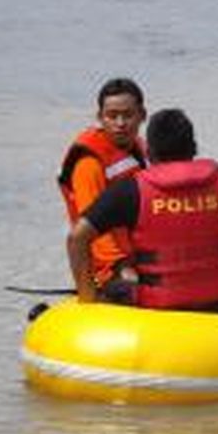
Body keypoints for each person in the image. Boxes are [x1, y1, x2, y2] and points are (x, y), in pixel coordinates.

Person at [67, 109, 218, 321]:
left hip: (157, 305)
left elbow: (77, 237)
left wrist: (88, 299)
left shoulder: (129, 190)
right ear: (194, 148)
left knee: (114, 285)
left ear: (149, 153)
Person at [58, 78, 148, 290]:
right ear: (100, 117)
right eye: (112, 116)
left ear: (142, 116)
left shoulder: (141, 148)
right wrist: (119, 266)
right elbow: (90, 228)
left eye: (127, 115)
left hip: (141, 253)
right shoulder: (89, 164)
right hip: (108, 267)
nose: (120, 123)